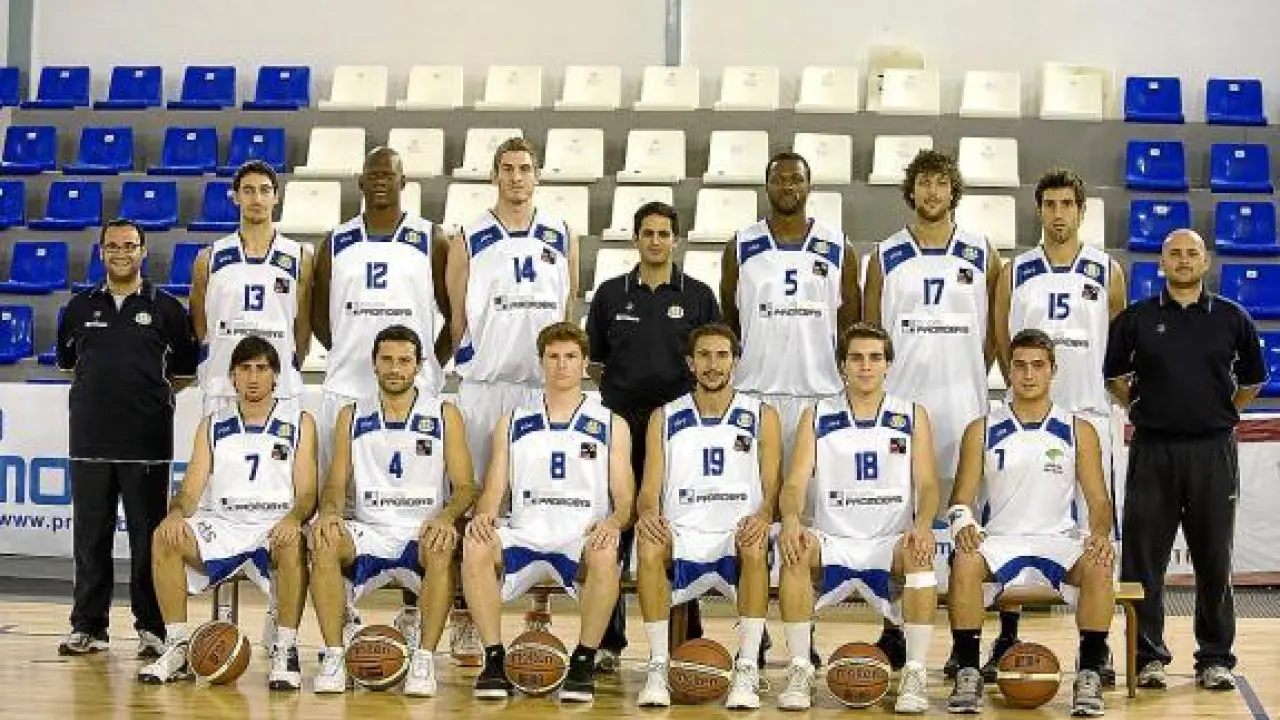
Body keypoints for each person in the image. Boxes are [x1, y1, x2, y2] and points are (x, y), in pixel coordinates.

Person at [309, 147, 462, 662]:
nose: (380, 181)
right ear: (360, 180)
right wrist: (352, 356)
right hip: (348, 387)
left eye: (389, 174)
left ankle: (416, 614)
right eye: (372, 174)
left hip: (412, 389)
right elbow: (319, 316)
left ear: (404, 180)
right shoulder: (336, 241)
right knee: (341, 505)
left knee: (415, 500)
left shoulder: (430, 237)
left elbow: (453, 314)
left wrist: (427, 365)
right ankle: (344, 615)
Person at [1104, 229, 1267, 692]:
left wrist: (1223, 412)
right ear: (1162, 262)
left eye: (1191, 253)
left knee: (1214, 558)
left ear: (1205, 261)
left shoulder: (1232, 318)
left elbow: (1253, 379)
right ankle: (1147, 658)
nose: (1182, 260)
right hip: (1152, 450)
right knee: (1143, 562)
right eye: (1174, 253)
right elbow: (1114, 376)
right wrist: (1140, 408)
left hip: (1212, 452)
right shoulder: (1136, 318)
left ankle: (1214, 657)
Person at [981, 168, 1127, 684]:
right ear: (1038, 210)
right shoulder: (1016, 271)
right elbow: (1003, 342)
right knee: (1012, 523)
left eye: (1067, 204)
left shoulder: (1107, 271)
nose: (1058, 213)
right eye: (1049, 204)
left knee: (1095, 532)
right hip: (1024, 417)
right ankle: (1007, 633)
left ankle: (1096, 648)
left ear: (1081, 211)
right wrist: (1023, 393)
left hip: (1088, 412)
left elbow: (1118, 346)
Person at [863, 148, 1000, 667]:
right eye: (924, 182)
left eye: (941, 182)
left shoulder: (983, 253)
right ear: (911, 190)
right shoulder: (885, 255)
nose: (932, 191)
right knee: (901, 522)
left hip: (964, 410)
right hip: (901, 415)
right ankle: (893, 628)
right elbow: (870, 334)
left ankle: (979, 639)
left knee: (974, 526)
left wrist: (967, 372)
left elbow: (996, 335)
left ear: (953, 190)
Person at [446, 136, 579, 633]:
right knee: (475, 496)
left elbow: (567, 310)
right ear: (494, 176)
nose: (516, 177)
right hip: (486, 384)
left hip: (540, 387)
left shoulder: (562, 234)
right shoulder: (469, 235)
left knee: (537, 498)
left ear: (537, 175)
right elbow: (457, 317)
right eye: (507, 168)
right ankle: (466, 611)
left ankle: (538, 607)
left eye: (525, 168)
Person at [461, 322, 633, 704]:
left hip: (579, 536)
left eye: (571, 356)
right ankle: (494, 659)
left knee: (606, 551)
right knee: (475, 545)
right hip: (525, 533)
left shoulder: (611, 423)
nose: (562, 364)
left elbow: (625, 499)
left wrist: (613, 521)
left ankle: (583, 660)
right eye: (553, 357)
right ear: (541, 363)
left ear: (585, 363)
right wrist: (484, 516)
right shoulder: (512, 421)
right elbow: (493, 491)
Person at [945, 329, 1115, 716]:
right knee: (965, 560)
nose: (1028, 374)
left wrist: (1100, 534)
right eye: (1019, 365)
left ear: (1053, 370)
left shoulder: (1078, 429)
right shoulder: (982, 428)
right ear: (1008, 371)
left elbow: (1100, 501)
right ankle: (968, 670)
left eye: (1038, 365)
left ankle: (1090, 671)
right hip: (1001, 539)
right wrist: (962, 523)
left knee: (1100, 562)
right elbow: (960, 499)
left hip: (1058, 538)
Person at [775, 323, 939, 713]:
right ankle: (800, 667)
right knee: (795, 550)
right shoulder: (817, 415)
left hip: (890, 540)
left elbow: (928, 484)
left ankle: (914, 673)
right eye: (857, 358)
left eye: (875, 358)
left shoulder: (912, 415)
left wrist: (923, 524)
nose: (866, 366)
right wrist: (792, 518)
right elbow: (794, 483)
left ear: (888, 365)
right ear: (842, 365)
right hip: (834, 539)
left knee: (919, 555)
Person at [137, 336, 317, 691]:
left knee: (292, 541)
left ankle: (285, 648)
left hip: (273, 526)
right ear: (233, 376)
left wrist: (294, 518)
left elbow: (308, 492)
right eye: (245, 369)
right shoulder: (213, 424)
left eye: (261, 368)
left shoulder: (300, 422)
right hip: (224, 524)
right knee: (164, 537)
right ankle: (177, 646)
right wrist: (176, 513)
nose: (253, 377)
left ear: (275, 376)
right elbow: (190, 489)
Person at [585, 200, 720, 669]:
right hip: (622, 428)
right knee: (618, 525)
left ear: (676, 240)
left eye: (664, 233)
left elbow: (713, 355)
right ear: (635, 238)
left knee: (679, 526)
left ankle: (687, 637)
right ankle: (607, 641)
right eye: (648, 233)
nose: (656, 241)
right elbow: (596, 363)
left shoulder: (699, 295)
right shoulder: (609, 295)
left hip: (680, 432)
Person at [55, 219, 198, 658]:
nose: (121, 253)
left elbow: (184, 373)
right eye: (113, 246)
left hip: (146, 446)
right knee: (90, 541)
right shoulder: (77, 308)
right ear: (101, 252)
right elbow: (69, 367)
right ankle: (88, 627)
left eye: (130, 246)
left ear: (143, 251)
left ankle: (152, 629)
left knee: (147, 542)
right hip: (90, 443)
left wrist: (146, 401)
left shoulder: (168, 310)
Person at [309, 326, 476, 696]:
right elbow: (335, 484)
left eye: (404, 360)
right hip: (369, 527)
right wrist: (330, 513)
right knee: (323, 541)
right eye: (386, 360)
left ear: (419, 366)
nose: (395, 368)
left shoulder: (444, 413)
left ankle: (424, 660)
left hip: (422, 528)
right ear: (373, 364)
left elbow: (466, 486)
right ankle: (334, 655)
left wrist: (446, 516)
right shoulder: (351, 414)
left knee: (442, 546)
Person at [633, 323, 781, 709]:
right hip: (682, 529)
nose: (713, 365)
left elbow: (771, 489)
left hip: (738, 528)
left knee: (755, 545)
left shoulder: (762, 414)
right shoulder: (664, 416)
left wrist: (764, 515)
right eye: (704, 356)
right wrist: (647, 513)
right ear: (690, 362)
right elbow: (649, 489)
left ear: (735, 361)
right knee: (648, 545)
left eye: (721, 355)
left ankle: (747, 666)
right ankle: (658, 665)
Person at [720, 151, 860, 458]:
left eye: (796, 179)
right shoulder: (740, 246)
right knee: (758, 487)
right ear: (766, 186)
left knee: (811, 487)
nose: (788, 187)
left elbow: (850, 323)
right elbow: (729, 317)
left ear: (809, 186)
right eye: (778, 180)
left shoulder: (839, 247)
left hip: (820, 391)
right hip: (755, 390)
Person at [190, 160, 313, 416]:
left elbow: (302, 328)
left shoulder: (299, 257)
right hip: (222, 386)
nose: (257, 198)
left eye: (264, 190)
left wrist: (285, 362)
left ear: (276, 197)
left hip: (281, 389)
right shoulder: (209, 258)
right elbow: (201, 325)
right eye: (248, 190)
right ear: (236, 197)